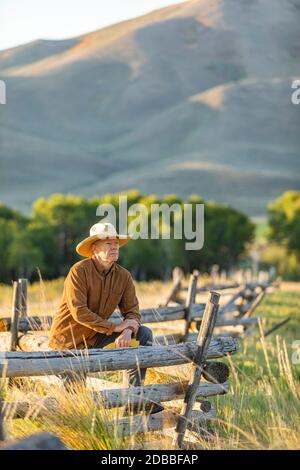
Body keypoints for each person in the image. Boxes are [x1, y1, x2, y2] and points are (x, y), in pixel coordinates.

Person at [49, 221, 163, 414]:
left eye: (116, 243)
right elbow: (79, 312)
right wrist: (114, 327)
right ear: (94, 249)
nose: (114, 247)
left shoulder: (123, 276)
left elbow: (133, 311)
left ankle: (133, 400)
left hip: (96, 336)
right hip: (70, 341)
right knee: (74, 403)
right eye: (108, 244)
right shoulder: (79, 271)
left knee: (143, 334)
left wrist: (127, 329)